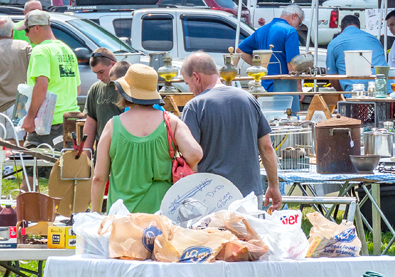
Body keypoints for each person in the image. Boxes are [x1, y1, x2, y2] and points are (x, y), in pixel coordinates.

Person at [90, 64, 201, 213]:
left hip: (122, 215)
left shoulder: (112, 125)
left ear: (125, 92)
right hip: (162, 213)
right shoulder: (171, 122)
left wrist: (95, 214)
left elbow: (99, 178)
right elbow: (195, 154)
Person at [180, 51, 281, 209]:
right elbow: (267, 147)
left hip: (212, 198)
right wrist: (274, 186)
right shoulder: (249, 99)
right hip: (250, 196)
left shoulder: (194, 107)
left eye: (188, 83)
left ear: (196, 77)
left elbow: (190, 157)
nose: (190, 89)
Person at [18, 10, 79, 148]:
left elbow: (41, 85)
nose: (26, 34)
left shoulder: (41, 51)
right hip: (71, 119)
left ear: (37, 28)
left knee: (34, 160)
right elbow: (77, 88)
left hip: (47, 122)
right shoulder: (67, 50)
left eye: (27, 30)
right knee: (66, 160)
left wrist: (30, 117)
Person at [237, 6, 302, 92]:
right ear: (294, 16)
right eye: (299, 23)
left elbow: (239, 50)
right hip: (282, 87)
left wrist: (259, 66)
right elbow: (292, 64)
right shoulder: (290, 31)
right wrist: (299, 87)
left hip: (263, 86)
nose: (298, 27)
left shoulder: (261, 30)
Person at [325, 14, 385, 90]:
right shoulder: (375, 40)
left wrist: (344, 93)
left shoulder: (334, 43)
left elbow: (332, 76)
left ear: (341, 30)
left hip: (355, 92)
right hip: (384, 88)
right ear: (359, 27)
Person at [81, 48, 122, 151]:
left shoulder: (129, 87)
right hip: (102, 148)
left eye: (101, 72)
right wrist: (86, 152)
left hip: (125, 148)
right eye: (95, 73)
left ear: (113, 65)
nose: (98, 77)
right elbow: (90, 123)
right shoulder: (95, 89)